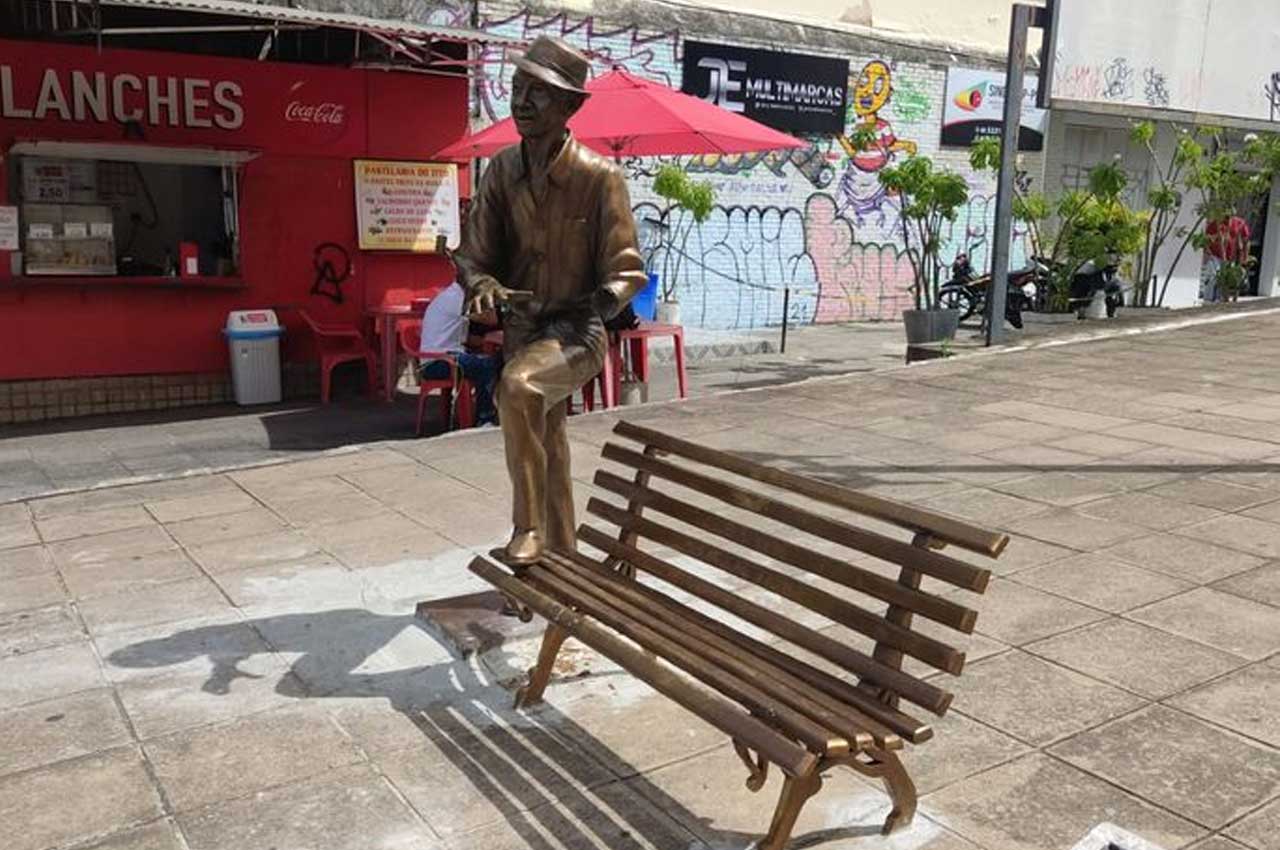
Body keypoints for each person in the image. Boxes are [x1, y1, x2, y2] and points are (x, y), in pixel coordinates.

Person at [455, 36, 646, 565]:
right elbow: (473, 256)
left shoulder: (598, 177)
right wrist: (480, 285)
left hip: (577, 333)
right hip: (522, 332)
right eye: (517, 88)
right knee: (550, 440)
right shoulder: (501, 171)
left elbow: (628, 269)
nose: (521, 101)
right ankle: (561, 558)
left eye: (538, 93)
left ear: (570, 107)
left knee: (517, 390)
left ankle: (529, 529)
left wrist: (599, 302)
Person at [418, 279, 501, 426]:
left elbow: (462, 338)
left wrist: (485, 340)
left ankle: (489, 412)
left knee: (489, 361)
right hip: (438, 363)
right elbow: (491, 319)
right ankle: (485, 419)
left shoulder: (450, 296)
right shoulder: (459, 299)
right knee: (487, 365)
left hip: (442, 358)